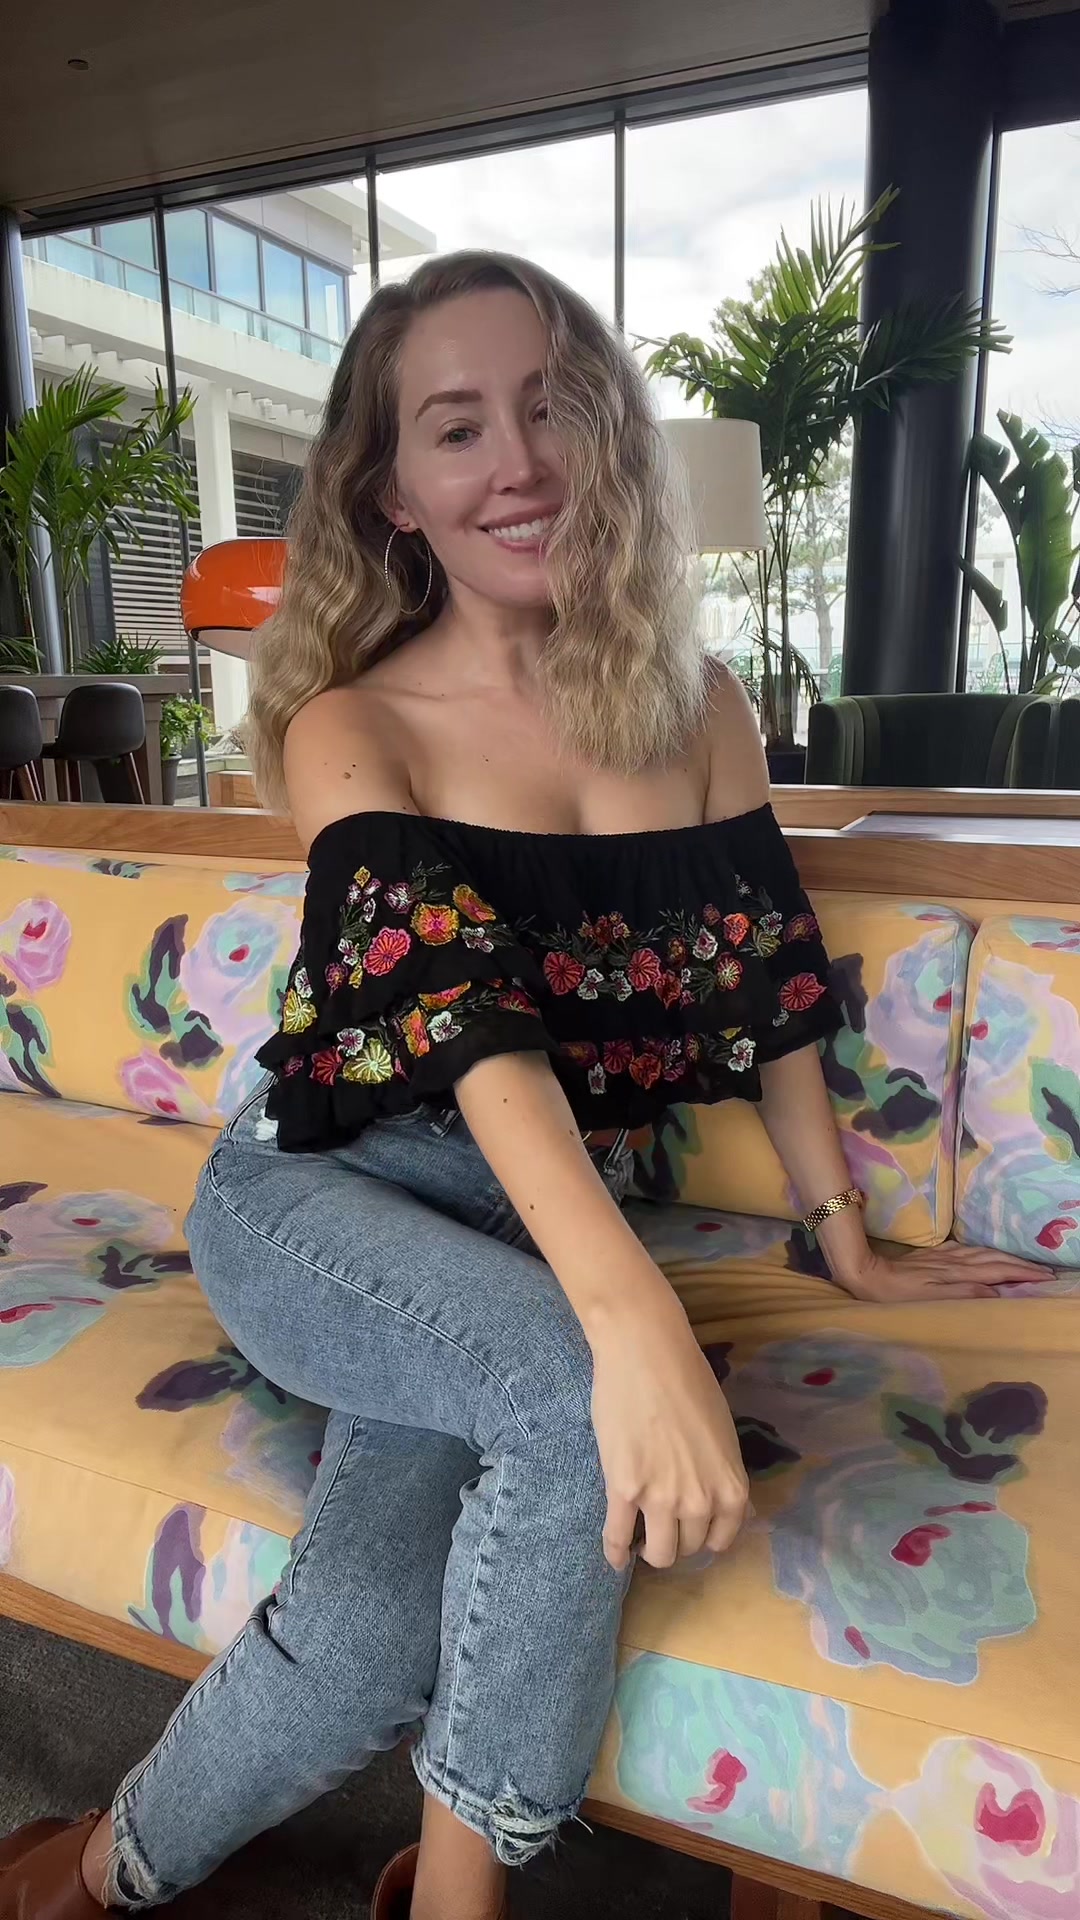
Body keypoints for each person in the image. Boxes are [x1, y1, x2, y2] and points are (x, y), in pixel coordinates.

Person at [1, 251, 1042, 1920]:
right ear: (393, 491)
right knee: (575, 1388)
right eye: (458, 426)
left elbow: (767, 977)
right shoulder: (351, 723)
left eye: (551, 407)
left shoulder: (698, 704)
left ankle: (86, 1874)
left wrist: (841, 1232)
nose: (519, 463)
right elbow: (462, 1024)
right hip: (331, 1192)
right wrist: (631, 1318)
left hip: (548, 1213)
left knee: (363, 1626)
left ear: (607, 434)